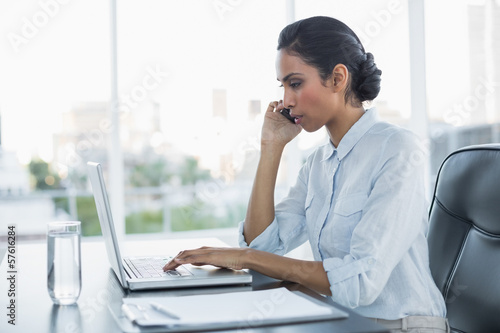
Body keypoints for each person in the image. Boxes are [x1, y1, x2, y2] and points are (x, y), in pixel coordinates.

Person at [164, 16, 449, 332]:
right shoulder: (318, 164)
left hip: (401, 326)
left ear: (338, 78)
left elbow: (359, 282)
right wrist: (271, 149)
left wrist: (242, 257)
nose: (286, 101)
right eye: (283, 86)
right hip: (342, 321)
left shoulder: (397, 149)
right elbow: (264, 250)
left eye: (295, 83)